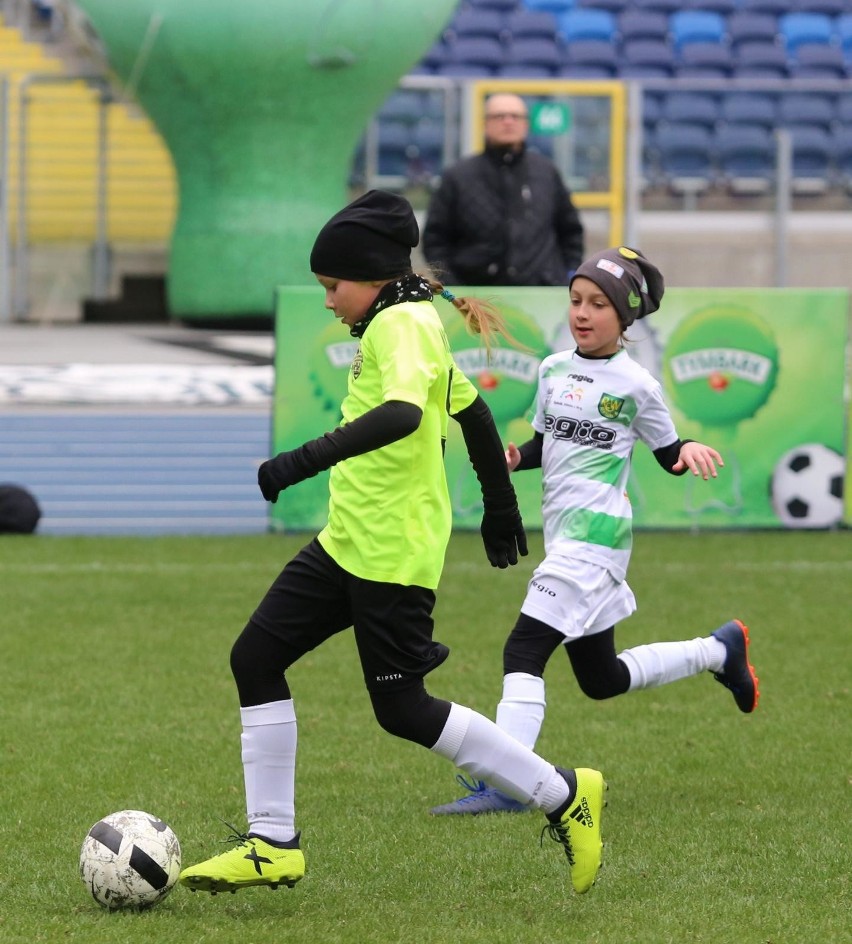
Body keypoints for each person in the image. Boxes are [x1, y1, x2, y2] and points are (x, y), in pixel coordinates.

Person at [178, 190, 606, 897]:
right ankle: (272, 841)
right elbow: (471, 411)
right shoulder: (405, 316)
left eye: (331, 286)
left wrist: (298, 461)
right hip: (349, 539)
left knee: (403, 709)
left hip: (391, 550)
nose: (326, 300)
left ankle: (561, 791)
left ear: (372, 276)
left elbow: (406, 414)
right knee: (254, 658)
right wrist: (500, 508)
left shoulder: (400, 326)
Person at [430, 246, 760, 816]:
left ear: (624, 318)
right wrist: (515, 457)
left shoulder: (637, 386)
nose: (583, 313)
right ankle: (718, 650)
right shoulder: (553, 369)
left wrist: (690, 450)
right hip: (566, 539)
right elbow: (546, 441)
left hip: (596, 540)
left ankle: (510, 783)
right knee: (600, 678)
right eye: (577, 300)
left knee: (523, 650)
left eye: (598, 304)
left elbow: (668, 451)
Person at [422, 92, 584, 287]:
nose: (508, 122)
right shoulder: (458, 176)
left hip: (540, 295)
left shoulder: (546, 172)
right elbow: (435, 239)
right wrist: (453, 285)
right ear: (485, 124)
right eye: (499, 116)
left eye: (515, 116)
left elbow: (570, 231)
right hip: (476, 297)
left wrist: (565, 276)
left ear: (525, 124)